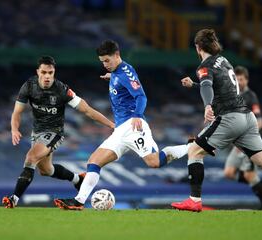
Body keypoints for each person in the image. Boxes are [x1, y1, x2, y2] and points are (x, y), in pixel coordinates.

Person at [171, 29, 262, 212]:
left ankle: (194, 200)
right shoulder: (226, 61)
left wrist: (207, 105)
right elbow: (220, 88)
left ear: (198, 47)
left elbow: (207, 86)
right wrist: (194, 85)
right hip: (247, 119)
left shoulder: (204, 66)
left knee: (194, 151)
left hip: (230, 118)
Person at [54, 40, 190, 210]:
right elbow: (120, 79)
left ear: (117, 55)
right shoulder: (117, 73)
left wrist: (137, 116)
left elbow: (141, 96)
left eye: (107, 60)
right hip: (120, 131)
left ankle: (191, 147)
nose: (105, 65)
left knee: (153, 162)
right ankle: (79, 201)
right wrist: (112, 77)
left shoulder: (125, 72)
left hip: (133, 127)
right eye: (102, 61)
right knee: (94, 161)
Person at [2, 56, 115, 208]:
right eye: (44, 72)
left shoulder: (62, 90)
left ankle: (14, 198)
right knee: (46, 170)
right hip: (37, 132)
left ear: (54, 72)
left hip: (54, 132)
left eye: (50, 72)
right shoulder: (29, 86)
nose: (47, 76)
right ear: (38, 72)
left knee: (31, 157)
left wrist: (111, 124)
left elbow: (87, 110)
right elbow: (17, 112)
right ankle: (78, 179)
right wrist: (14, 129)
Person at [181, 66, 262, 210]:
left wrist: (245, 137)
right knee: (229, 173)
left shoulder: (250, 96)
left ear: (247, 80)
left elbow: (259, 121)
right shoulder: (231, 94)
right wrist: (193, 84)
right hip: (234, 141)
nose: (239, 82)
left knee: (249, 175)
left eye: (241, 79)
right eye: (237, 79)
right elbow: (209, 89)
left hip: (246, 141)